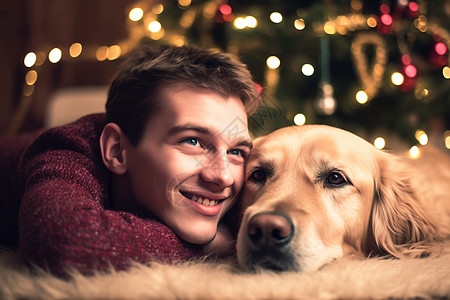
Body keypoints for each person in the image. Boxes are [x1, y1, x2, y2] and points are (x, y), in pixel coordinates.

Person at [0, 45, 261, 277]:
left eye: (236, 151)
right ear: (116, 150)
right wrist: (199, 247)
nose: (223, 177)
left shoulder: (235, 190)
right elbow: (63, 242)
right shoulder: (67, 152)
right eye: (192, 141)